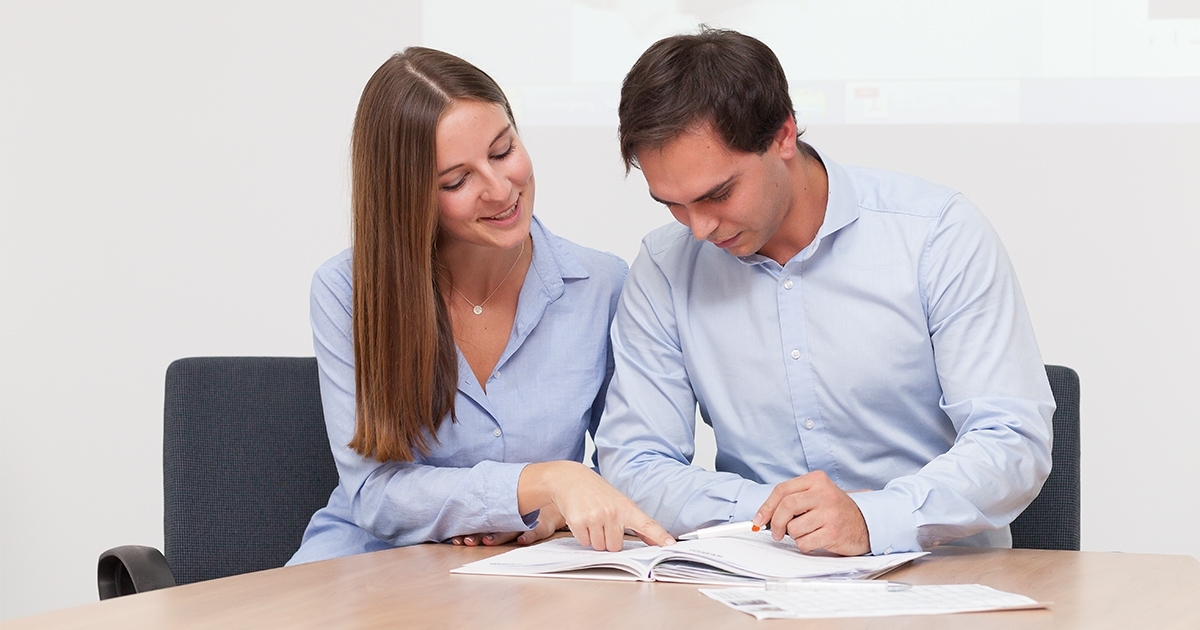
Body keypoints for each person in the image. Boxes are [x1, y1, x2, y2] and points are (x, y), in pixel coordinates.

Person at [594, 28, 1054, 557]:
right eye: (672, 204)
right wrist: (784, 512)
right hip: (759, 574)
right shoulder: (665, 267)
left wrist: (873, 518)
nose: (698, 229)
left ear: (783, 135)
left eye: (718, 194)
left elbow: (1011, 439)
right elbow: (634, 462)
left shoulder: (936, 235)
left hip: (938, 574)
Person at [289, 47, 672, 565]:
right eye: (456, 180)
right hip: (371, 559)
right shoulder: (348, 291)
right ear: (408, 196)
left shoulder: (601, 284)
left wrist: (557, 508)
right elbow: (374, 493)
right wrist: (542, 482)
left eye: (503, 151)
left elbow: (627, 465)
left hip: (536, 562)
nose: (499, 189)